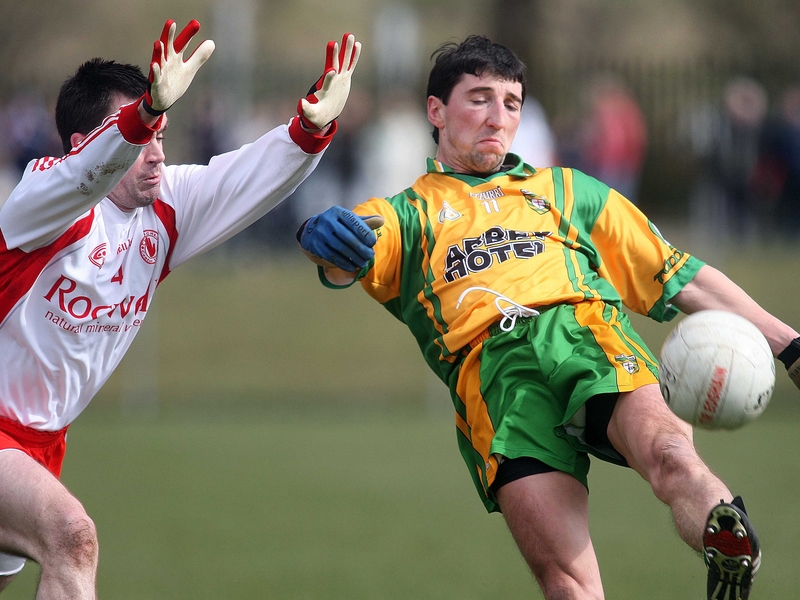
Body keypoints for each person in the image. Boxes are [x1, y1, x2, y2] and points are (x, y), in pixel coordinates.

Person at [296, 35, 800, 600]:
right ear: (436, 111)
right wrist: (319, 235)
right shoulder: (407, 213)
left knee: (671, 456)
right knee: (567, 583)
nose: (498, 116)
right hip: (495, 380)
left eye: (511, 103)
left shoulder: (566, 189)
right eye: (480, 99)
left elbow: (680, 275)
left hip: (586, 335)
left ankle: (724, 538)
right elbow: (349, 250)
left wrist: (789, 345)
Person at [0, 18, 360, 598]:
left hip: (41, 445)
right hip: (5, 440)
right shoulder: (42, 202)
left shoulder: (162, 209)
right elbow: (80, 177)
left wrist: (309, 131)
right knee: (72, 536)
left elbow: (241, 179)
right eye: (144, 139)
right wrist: (142, 115)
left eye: (162, 135)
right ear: (84, 143)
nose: (156, 155)